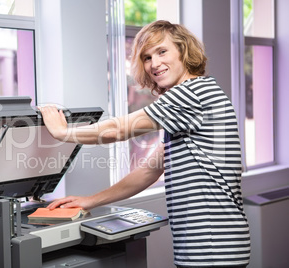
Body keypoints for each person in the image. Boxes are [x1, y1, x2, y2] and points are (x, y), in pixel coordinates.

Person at [38, 20, 250, 268]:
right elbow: (148, 171)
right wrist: (90, 200)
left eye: (162, 51)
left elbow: (117, 130)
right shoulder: (195, 100)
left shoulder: (191, 94)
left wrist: (63, 132)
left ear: (183, 50)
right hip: (214, 245)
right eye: (147, 57)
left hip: (213, 248)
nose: (154, 64)